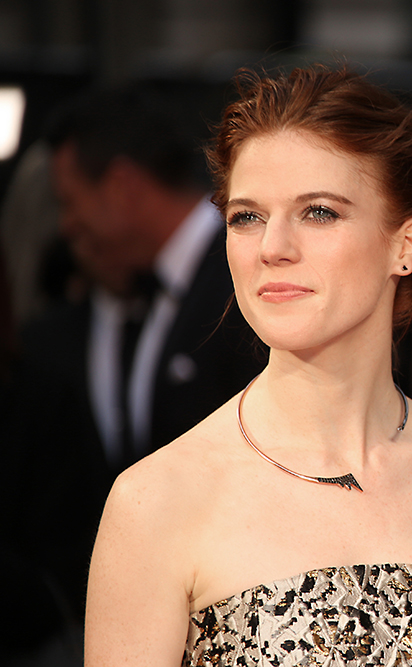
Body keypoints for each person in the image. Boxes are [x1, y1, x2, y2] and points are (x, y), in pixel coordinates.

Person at [84, 65, 412, 667]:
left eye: (318, 212)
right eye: (247, 216)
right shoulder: (156, 504)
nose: (273, 247)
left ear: (406, 245)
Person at [4, 83, 264, 665]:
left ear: (121, 186)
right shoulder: (130, 301)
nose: (67, 227)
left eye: (71, 202)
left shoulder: (243, 286)